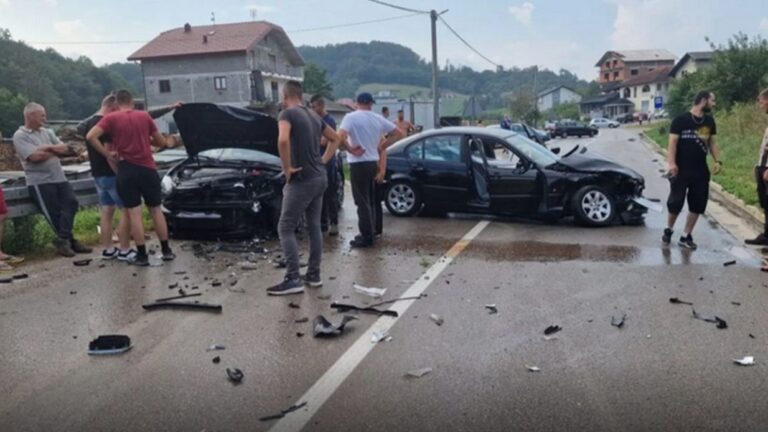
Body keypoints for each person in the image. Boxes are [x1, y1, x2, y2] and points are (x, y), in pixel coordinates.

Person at [78, 95, 182, 261]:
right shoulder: (144, 116)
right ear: (132, 102)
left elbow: (90, 136)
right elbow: (161, 142)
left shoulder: (111, 119)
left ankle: (141, 254)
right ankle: (166, 250)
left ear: (117, 103)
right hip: (147, 169)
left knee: (134, 213)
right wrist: (148, 141)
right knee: (156, 210)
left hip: (126, 170)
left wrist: (108, 154)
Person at [267, 81, 340, 296]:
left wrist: (287, 167)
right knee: (314, 226)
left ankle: (293, 278)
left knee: (285, 227)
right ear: (301, 95)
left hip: (302, 180)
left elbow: (282, 141)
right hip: (320, 178)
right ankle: (314, 275)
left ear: (285, 94)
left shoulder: (287, 114)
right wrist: (323, 161)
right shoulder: (314, 116)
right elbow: (336, 139)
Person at [13, 103, 92, 257]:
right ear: (31, 116)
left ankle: (63, 239)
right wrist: (54, 150)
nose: (45, 118)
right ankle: (69, 241)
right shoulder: (20, 135)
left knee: (72, 202)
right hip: (40, 181)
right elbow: (34, 157)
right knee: (54, 213)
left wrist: (46, 148)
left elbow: (66, 149)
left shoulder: (47, 132)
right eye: (42, 115)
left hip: (58, 176)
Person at [338, 93, 403, 248]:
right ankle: (373, 231)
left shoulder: (350, 117)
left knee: (362, 201)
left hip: (358, 164)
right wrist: (381, 147)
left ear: (357, 103)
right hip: (373, 163)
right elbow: (399, 133)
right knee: (371, 200)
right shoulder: (377, 118)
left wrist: (351, 150)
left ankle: (366, 236)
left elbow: (340, 137)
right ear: (370, 104)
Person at [663, 91, 722, 250]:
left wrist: (718, 160)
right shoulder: (681, 120)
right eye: (712, 100)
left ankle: (685, 236)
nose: (714, 104)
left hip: (700, 171)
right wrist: (672, 163)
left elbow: (712, 143)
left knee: (697, 205)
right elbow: (672, 143)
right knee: (675, 202)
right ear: (703, 101)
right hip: (681, 169)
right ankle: (669, 229)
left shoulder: (708, 122)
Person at [310, 94, 339, 236]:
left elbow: (325, 141)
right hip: (316, 163)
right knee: (318, 194)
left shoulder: (329, 121)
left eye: (314, 106)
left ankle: (334, 223)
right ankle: (322, 223)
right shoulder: (314, 120)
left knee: (330, 194)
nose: (312, 109)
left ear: (321, 106)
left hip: (328, 163)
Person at [747, 88, 768, 250]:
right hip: (762, 166)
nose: (760, 104)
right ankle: (766, 235)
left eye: (761, 101)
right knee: (765, 203)